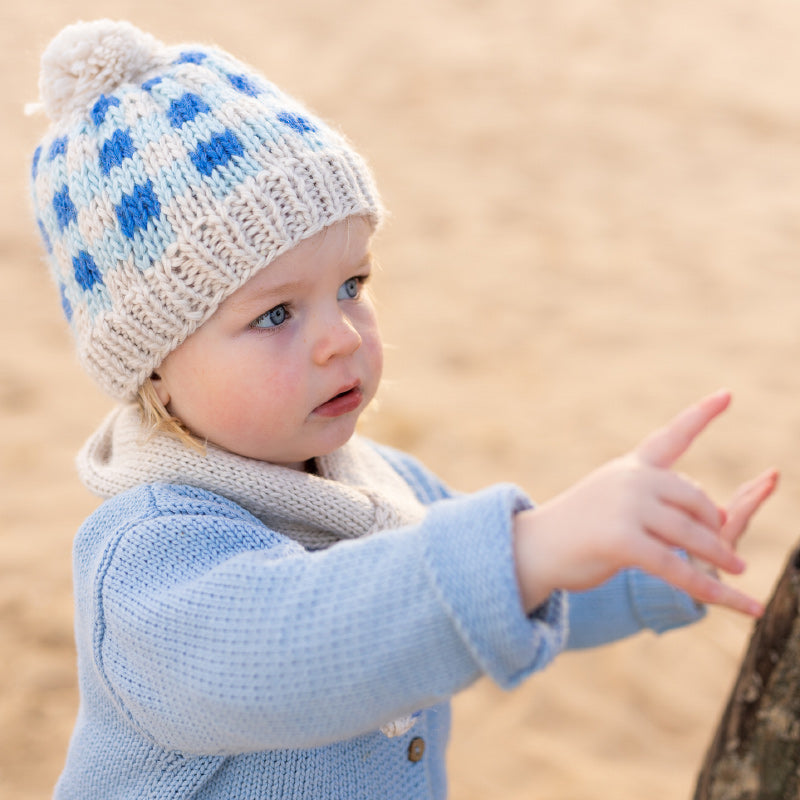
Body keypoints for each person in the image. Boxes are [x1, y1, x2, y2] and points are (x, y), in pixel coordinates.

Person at [28, 19, 777, 800]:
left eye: (352, 285)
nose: (340, 338)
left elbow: (505, 587)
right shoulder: (148, 561)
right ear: (153, 367)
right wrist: (530, 545)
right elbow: (307, 645)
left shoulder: (375, 481)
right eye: (276, 314)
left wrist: (640, 564)